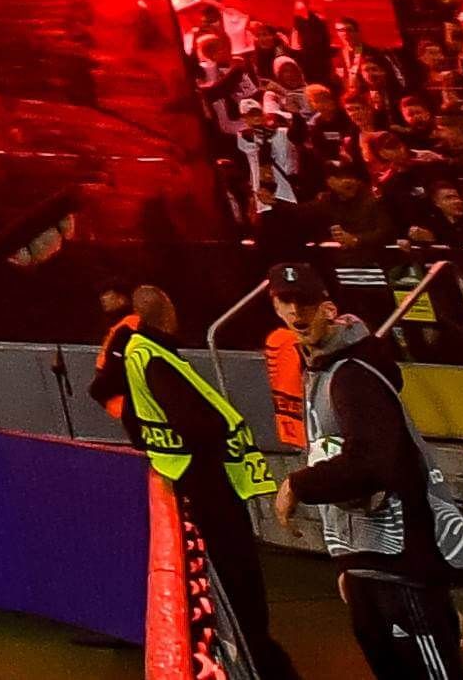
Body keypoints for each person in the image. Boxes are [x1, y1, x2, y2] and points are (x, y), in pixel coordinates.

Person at [104, 280, 298, 680]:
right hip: (208, 485)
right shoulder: (154, 357)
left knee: (227, 589)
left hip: (187, 479)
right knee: (238, 588)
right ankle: (261, 664)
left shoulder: (139, 353)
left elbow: (119, 404)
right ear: (170, 312)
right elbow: (192, 421)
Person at [277, 270, 463, 680]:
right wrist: (349, 563)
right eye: (285, 302)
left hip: (400, 564)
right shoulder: (323, 370)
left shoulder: (353, 373)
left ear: (329, 309)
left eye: (305, 302)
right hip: (370, 561)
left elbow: (373, 461)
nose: (295, 312)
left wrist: (299, 485)